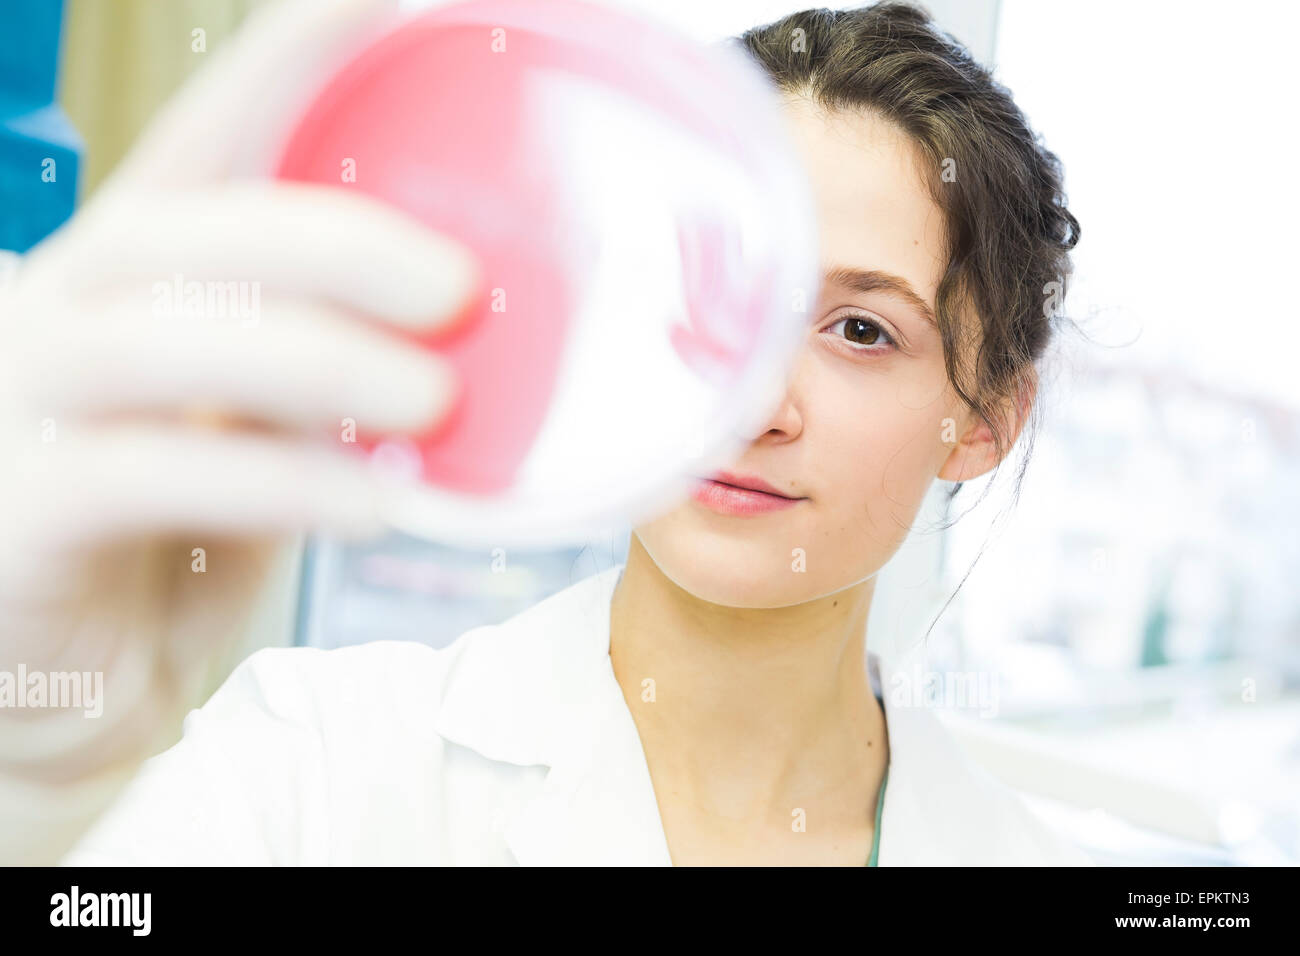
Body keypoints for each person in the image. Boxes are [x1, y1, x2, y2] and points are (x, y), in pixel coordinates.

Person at [1, 0, 1092, 865]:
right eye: (713, 292)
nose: (755, 404)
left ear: (985, 418)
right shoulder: (311, 762)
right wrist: (26, 782)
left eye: (860, 329)